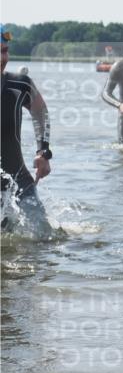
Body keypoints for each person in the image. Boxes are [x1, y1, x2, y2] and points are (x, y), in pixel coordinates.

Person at [1, 26, 52, 229]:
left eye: (4, 51)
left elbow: (41, 114)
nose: (1, 58)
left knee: (45, 239)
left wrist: (43, 152)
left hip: (19, 181)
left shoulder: (19, 84)